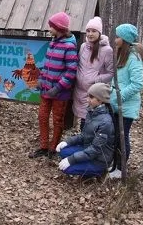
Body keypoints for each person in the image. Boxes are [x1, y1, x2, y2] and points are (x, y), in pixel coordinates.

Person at [29, 12, 78, 158]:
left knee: (57, 120)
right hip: (45, 89)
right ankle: (43, 147)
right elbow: (47, 65)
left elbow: (71, 71)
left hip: (60, 92)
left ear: (59, 28)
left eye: (52, 26)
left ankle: (53, 148)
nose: (49, 29)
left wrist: (57, 88)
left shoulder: (69, 46)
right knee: (42, 117)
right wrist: (41, 80)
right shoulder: (52, 42)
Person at [108, 23, 143, 179]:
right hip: (116, 104)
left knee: (122, 137)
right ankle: (114, 165)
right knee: (115, 135)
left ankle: (120, 168)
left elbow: (137, 84)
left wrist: (119, 97)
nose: (115, 39)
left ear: (124, 39)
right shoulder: (121, 55)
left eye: (117, 37)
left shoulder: (134, 58)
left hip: (126, 106)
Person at [56, 83, 115, 177]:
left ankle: (99, 172)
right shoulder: (92, 112)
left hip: (99, 160)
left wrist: (72, 159)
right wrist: (68, 142)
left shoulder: (105, 122)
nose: (87, 100)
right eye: (88, 96)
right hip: (88, 149)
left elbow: (95, 150)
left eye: (91, 97)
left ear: (100, 101)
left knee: (68, 168)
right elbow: (84, 135)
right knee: (63, 151)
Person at [72, 17, 114, 131]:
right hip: (79, 91)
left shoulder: (107, 50)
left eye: (94, 31)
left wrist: (96, 80)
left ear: (99, 32)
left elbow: (111, 73)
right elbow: (80, 65)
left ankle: (90, 146)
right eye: (88, 31)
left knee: (90, 124)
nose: (90, 34)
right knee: (82, 123)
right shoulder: (83, 47)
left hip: (94, 94)